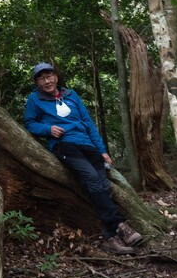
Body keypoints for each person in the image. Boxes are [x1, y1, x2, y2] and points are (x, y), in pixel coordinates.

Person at [24, 62, 143, 256]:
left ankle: (109, 236)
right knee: (93, 180)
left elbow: (88, 123)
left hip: (88, 145)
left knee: (103, 186)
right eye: (42, 78)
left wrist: (103, 151)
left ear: (56, 76)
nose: (47, 81)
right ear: (37, 82)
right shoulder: (35, 99)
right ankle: (120, 226)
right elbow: (29, 123)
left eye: (49, 76)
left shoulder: (71, 95)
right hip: (65, 145)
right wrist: (47, 129)